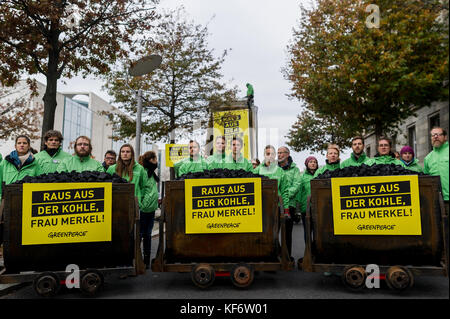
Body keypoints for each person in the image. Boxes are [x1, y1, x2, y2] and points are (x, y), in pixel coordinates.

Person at [106, 145, 157, 268]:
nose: (125, 154)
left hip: (134, 207)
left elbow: (145, 187)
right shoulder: (112, 168)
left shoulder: (139, 169)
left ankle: (134, 262)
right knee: (118, 236)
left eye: (128, 152)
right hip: (116, 208)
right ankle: (119, 262)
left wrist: (140, 201)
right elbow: (105, 186)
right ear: (120, 154)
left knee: (133, 236)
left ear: (132, 154)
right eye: (122, 151)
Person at [254, 145, 291, 257]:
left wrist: (286, 210)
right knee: (262, 234)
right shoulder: (257, 170)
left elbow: (284, 192)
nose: (269, 156)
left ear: (275, 156)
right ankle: (264, 257)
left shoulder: (280, 171)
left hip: (276, 207)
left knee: (274, 234)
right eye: (267, 154)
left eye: (272, 154)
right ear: (264, 155)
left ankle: (273, 257)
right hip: (261, 208)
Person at [0, 135, 42, 201]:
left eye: (24, 143)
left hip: (27, 199)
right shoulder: (6, 162)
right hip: (7, 199)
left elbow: (39, 183)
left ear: (28, 146)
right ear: (15, 146)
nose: (22, 145)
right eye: (19, 143)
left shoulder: (35, 163)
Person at [138, 151, 160, 268]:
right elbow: (139, 189)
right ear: (149, 160)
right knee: (140, 235)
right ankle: (138, 260)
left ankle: (146, 260)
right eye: (154, 159)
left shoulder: (152, 174)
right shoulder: (143, 172)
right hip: (143, 210)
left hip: (151, 209)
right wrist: (141, 205)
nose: (156, 161)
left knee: (147, 235)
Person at [424, 127, 449, 206]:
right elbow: (427, 179)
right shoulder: (427, 158)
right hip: (436, 200)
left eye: (438, 134)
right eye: (433, 135)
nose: (435, 137)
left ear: (445, 137)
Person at [277, 146, 302, 224]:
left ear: (287, 154)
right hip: (275, 203)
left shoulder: (295, 169)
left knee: (287, 232)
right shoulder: (274, 168)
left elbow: (297, 185)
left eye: (281, 153)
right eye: (278, 153)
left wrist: (285, 196)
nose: (279, 155)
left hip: (290, 204)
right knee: (275, 231)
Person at [297, 156, 318, 239]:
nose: (313, 163)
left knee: (318, 232)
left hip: (318, 208)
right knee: (308, 232)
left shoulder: (319, 174)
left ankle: (317, 251)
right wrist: (298, 207)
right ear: (307, 164)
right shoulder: (302, 177)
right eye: (311, 162)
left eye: (315, 162)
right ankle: (308, 250)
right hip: (306, 208)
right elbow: (299, 193)